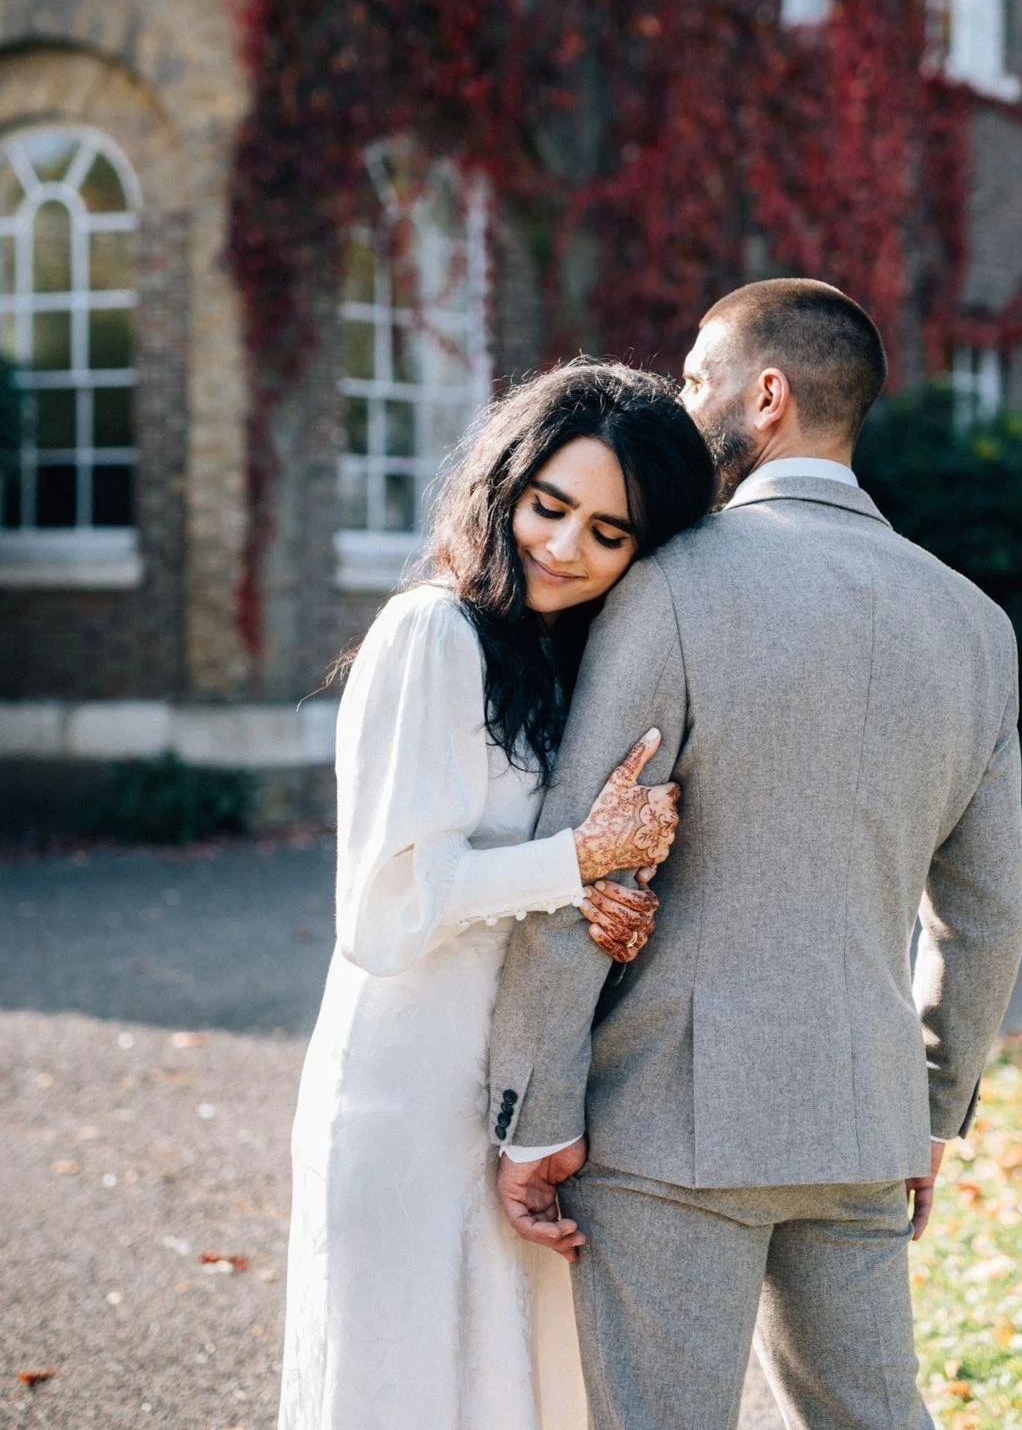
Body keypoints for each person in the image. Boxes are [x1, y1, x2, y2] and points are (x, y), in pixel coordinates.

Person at [490, 279, 1022, 1430]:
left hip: (667, 1120)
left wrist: (536, 1109)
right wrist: (928, 1108)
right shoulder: (973, 626)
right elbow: (985, 915)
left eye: (694, 379)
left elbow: (590, 856)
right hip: (862, 1120)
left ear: (765, 395)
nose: (680, 406)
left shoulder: (671, 583)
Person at [277, 361, 715, 1430]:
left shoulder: (557, 656)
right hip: (403, 1089)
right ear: (503, 484)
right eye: (547, 505)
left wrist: (600, 892)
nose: (562, 547)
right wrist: (575, 860)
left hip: (516, 1090)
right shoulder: (431, 632)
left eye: (607, 534)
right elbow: (384, 910)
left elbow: (540, 870)